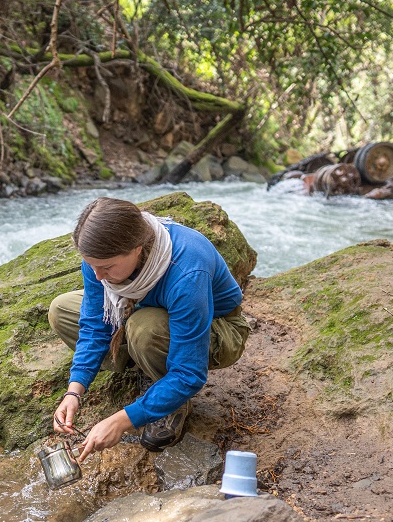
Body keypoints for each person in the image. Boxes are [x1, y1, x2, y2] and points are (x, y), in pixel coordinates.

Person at [48, 197, 250, 460]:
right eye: (91, 265)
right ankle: (145, 363)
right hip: (140, 310)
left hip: (217, 327)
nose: (97, 276)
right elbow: (95, 324)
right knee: (62, 310)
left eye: (106, 267)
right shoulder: (100, 261)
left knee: (144, 329)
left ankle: (169, 396)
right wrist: (75, 390)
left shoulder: (187, 270)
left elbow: (190, 372)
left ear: (137, 248)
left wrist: (121, 421)